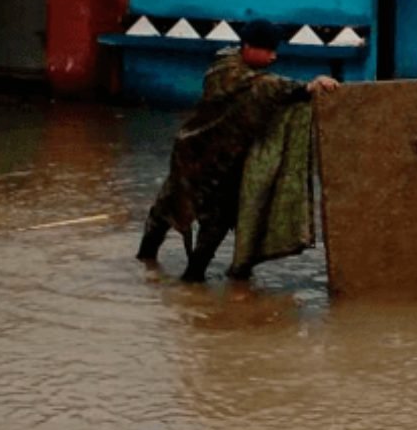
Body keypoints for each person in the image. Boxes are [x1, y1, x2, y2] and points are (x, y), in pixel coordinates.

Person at [135, 19, 339, 282]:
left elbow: (267, 90)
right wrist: (307, 87)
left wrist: (306, 90)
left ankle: (192, 279)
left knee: (215, 225)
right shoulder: (226, 71)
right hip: (196, 156)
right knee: (166, 210)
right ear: (248, 47)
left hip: (226, 161)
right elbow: (265, 86)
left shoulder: (247, 74)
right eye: (269, 50)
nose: (274, 56)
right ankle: (145, 261)